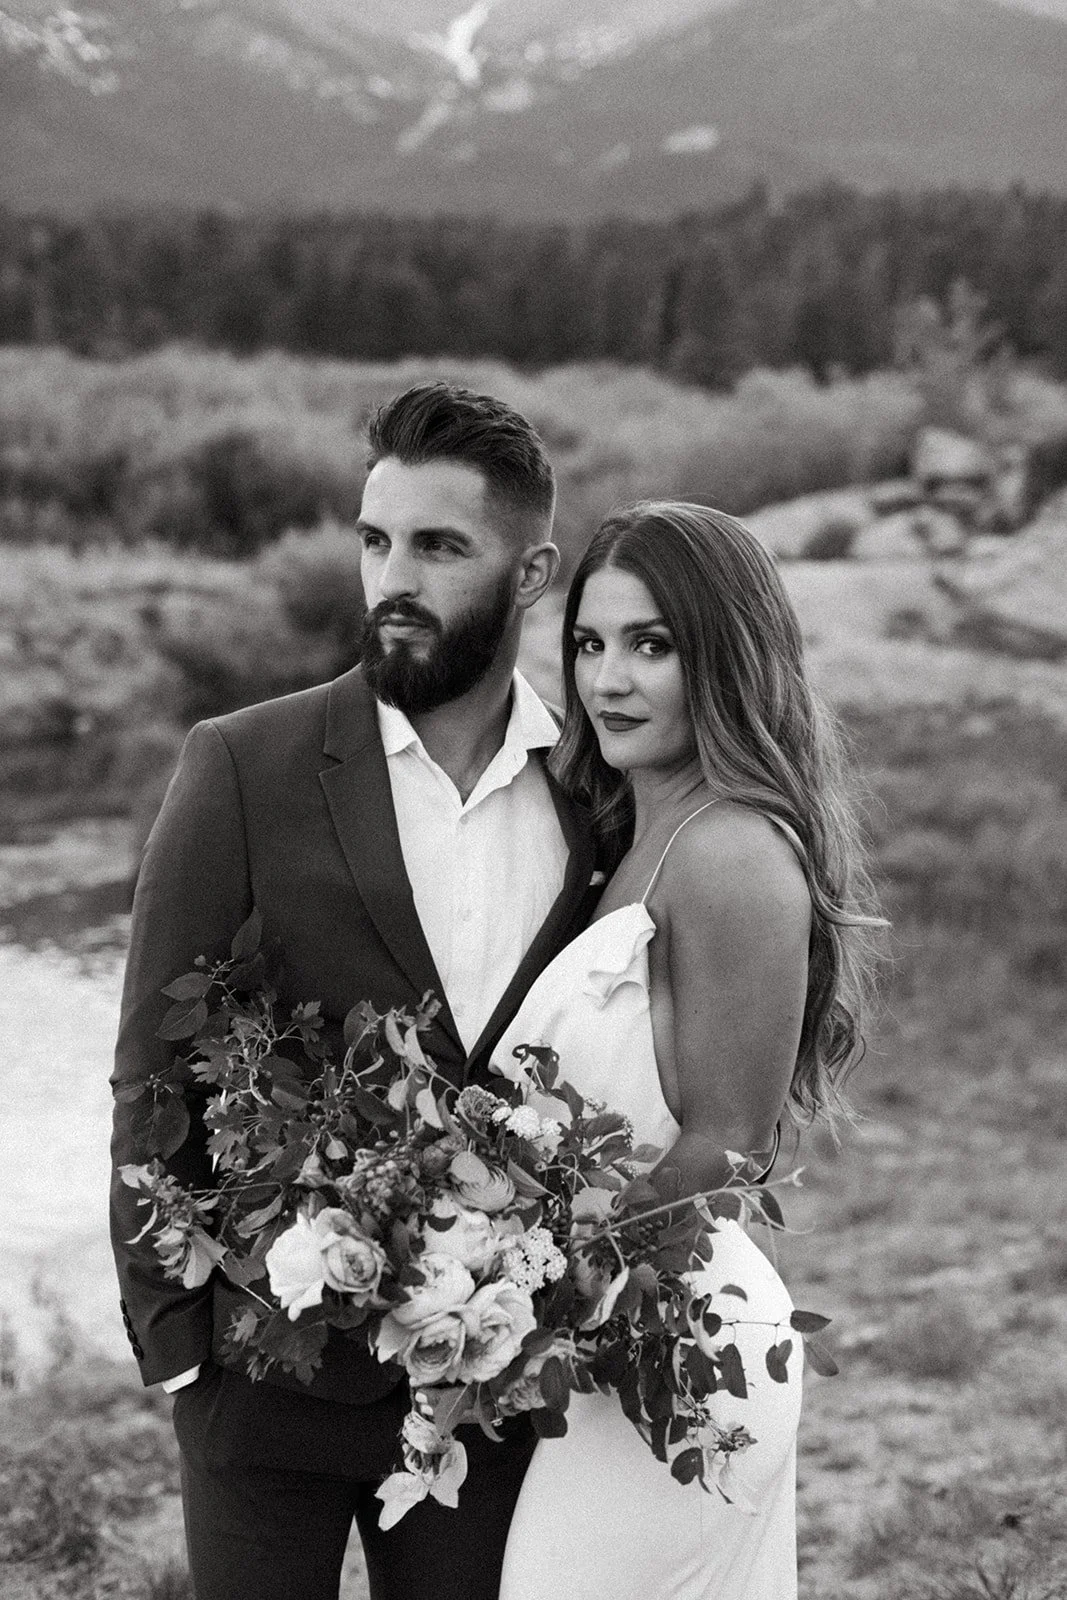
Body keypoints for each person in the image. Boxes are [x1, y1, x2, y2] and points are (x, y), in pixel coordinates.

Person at [109, 383, 599, 1600]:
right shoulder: (242, 763)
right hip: (261, 1377)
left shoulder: (594, 797)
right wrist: (178, 1352)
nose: (394, 578)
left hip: (481, 1389)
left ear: (532, 572)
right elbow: (150, 1068)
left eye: (439, 546)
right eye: (376, 540)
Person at [494, 502, 882, 1600]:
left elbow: (728, 1145)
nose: (606, 680)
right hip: (610, 1346)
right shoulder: (624, 832)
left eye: (650, 645)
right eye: (588, 642)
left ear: (726, 657)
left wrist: (539, 1275)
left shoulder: (732, 851)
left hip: (683, 1355)